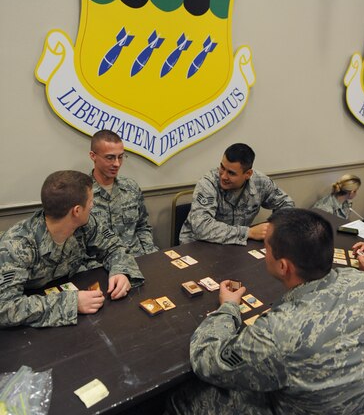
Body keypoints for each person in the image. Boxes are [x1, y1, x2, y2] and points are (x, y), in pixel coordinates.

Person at [118, 209, 364, 415]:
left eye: (266, 247)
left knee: (189, 399)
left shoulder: (280, 332)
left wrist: (227, 308)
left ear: (284, 266)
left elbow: (207, 361)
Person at [0, 170, 144, 327]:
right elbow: (4, 308)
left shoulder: (86, 224)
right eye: (90, 200)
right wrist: (71, 303)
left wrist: (121, 271)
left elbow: (114, 247)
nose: (93, 204)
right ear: (76, 211)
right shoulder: (16, 245)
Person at [179, 143, 294, 244]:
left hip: (234, 246)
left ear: (248, 174)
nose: (223, 176)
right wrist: (248, 232)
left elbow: (286, 204)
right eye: (222, 168)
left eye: (231, 173)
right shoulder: (208, 183)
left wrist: (273, 228)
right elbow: (201, 227)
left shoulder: (260, 182)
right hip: (197, 244)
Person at [89, 130, 158, 256]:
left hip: (137, 257)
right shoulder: (82, 194)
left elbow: (143, 227)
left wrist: (151, 255)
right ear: (93, 156)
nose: (116, 164)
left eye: (120, 157)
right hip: (102, 265)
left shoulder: (131, 187)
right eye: (110, 157)